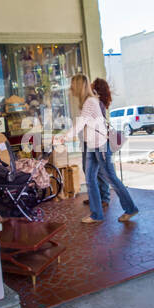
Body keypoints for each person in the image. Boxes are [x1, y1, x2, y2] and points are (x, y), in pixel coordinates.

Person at [59, 74, 138, 225]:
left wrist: (65, 137)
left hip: (100, 146)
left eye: (72, 86)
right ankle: (96, 214)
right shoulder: (88, 102)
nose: (70, 89)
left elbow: (80, 124)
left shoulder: (90, 102)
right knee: (90, 179)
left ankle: (130, 208)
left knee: (111, 179)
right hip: (91, 146)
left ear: (79, 87)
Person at [81, 77, 112, 208]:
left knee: (98, 171)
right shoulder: (93, 101)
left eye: (93, 84)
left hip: (96, 140)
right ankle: (96, 196)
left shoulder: (96, 102)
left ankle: (104, 197)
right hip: (89, 139)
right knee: (89, 170)